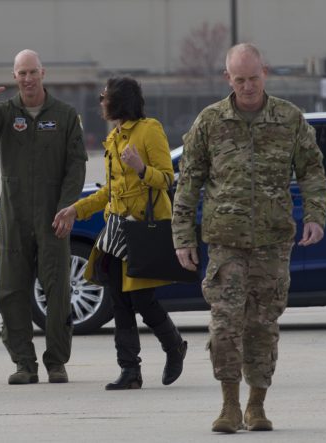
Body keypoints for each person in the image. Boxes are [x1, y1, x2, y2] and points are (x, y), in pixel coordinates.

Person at [172, 43, 326, 433]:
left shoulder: (289, 119)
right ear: (228, 78)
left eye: (253, 78)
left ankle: (256, 406)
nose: (247, 87)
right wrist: (182, 237)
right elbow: (188, 182)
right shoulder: (209, 122)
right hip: (225, 242)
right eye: (239, 79)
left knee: (263, 324)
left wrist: (315, 216)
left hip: (273, 242)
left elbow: (311, 171)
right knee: (225, 325)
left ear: (266, 72)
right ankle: (229, 405)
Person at [53, 76, 187, 391]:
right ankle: (130, 370)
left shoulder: (149, 130)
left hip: (141, 229)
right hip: (116, 229)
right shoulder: (114, 137)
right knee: (118, 300)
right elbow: (110, 192)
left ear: (120, 100)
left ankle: (174, 345)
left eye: (105, 96)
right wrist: (75, 209)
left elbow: (167, 179)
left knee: (141, 299)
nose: (101, 101)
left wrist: (141, 168)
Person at [0, 49, 87, 385]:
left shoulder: (64, 115)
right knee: (11, 290)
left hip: (53, 216)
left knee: (57, 289)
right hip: (15, 216)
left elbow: (76, 165)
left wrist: (68, 206)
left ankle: (56, 362)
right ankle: (23, 362)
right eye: (21, 73)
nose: (27, 79)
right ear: (15, 76)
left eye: (32, 72)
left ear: (43, 73)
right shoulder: (5, 112)